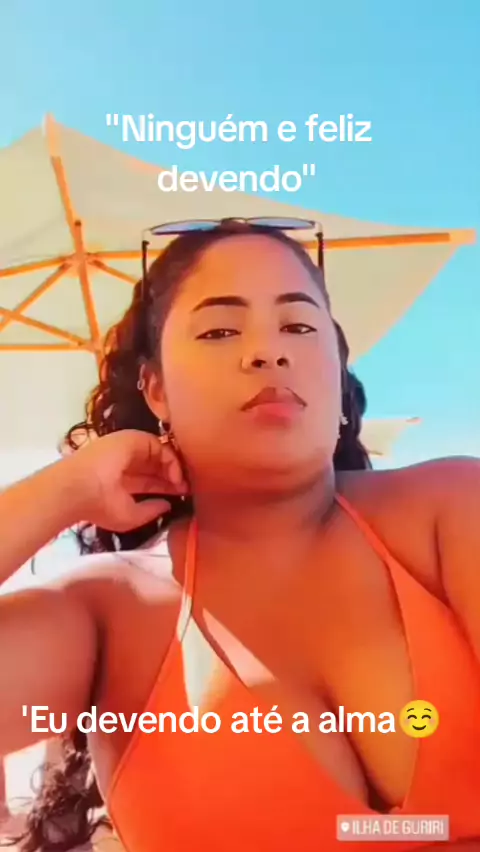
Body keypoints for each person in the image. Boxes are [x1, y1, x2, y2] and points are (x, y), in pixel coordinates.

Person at [0, 219, 479, 852]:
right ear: (157, 391)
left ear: (337, 374)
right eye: (220, 330)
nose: (267, 352)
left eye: (299, 326)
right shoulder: (107, 612)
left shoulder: (453, 509)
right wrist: (64, 489)